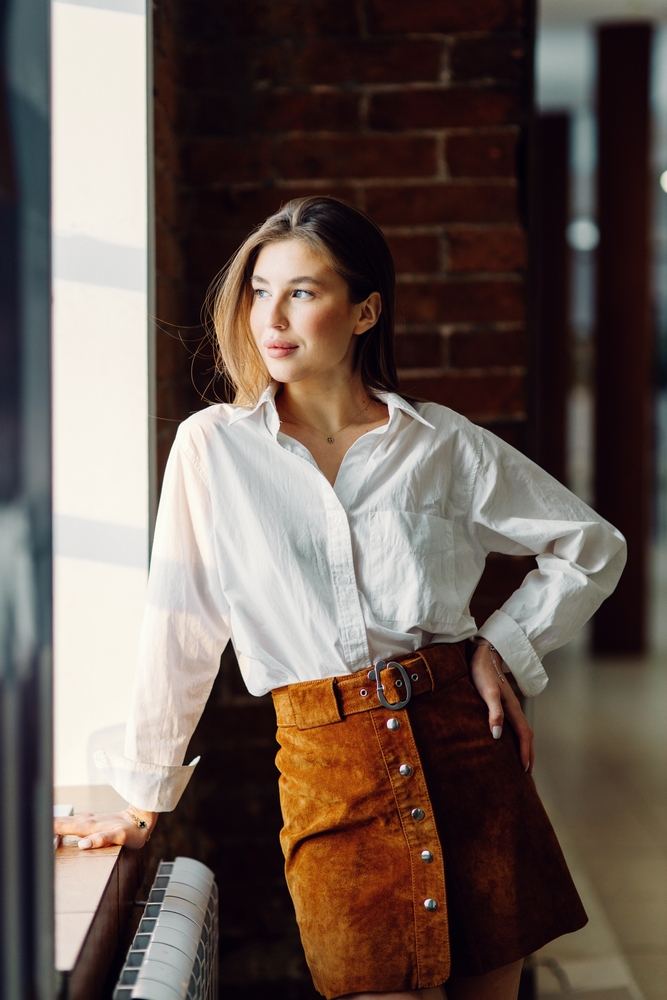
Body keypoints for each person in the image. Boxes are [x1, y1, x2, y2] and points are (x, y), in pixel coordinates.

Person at [55, 197, 626, 1000]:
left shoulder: (440, 443)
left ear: (364, 311)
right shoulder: (212, 448)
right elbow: (179, 624)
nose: (270, 316)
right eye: (258, 290)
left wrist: (503, 645)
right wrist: (144, 802)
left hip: (468, 755)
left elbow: (590, 545)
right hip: (331, 774)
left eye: (302, 291)